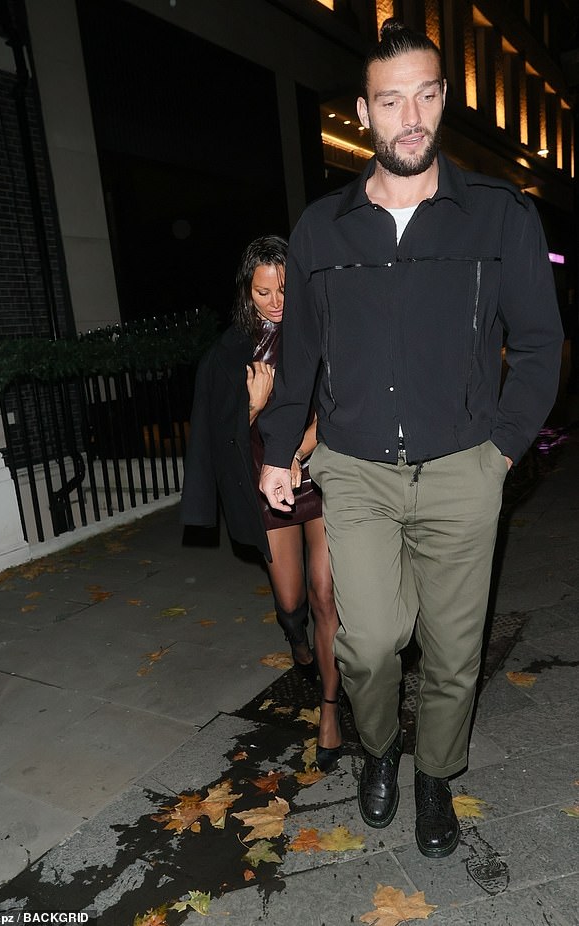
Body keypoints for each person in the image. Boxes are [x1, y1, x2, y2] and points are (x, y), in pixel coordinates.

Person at [259, 20, 563, 858]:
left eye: (426, 95)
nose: (411, 115)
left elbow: (538, 346)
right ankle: (378, 749)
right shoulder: (323, 230)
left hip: (464, 466)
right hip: (354, 470)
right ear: (365, 112)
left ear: (442, 102)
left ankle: (433, 776)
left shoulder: (499, 217)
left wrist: (500, 450)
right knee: (368, 641)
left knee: (456, 652)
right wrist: (278, 451)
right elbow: (299, 360)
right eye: (391, 101)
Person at [181, 235, 342, 771]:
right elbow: (219, 438)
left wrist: (300, 445)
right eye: (263, 292)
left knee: (326, 598)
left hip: (318, 479)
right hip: (267, 489)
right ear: (247, 294)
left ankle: (329, 707)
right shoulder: (229, 355)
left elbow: (344, 405)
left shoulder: (322, 334)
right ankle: (295, 638)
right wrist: (250, 408)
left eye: (284, 289)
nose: (276, 302)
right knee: (294, 603)